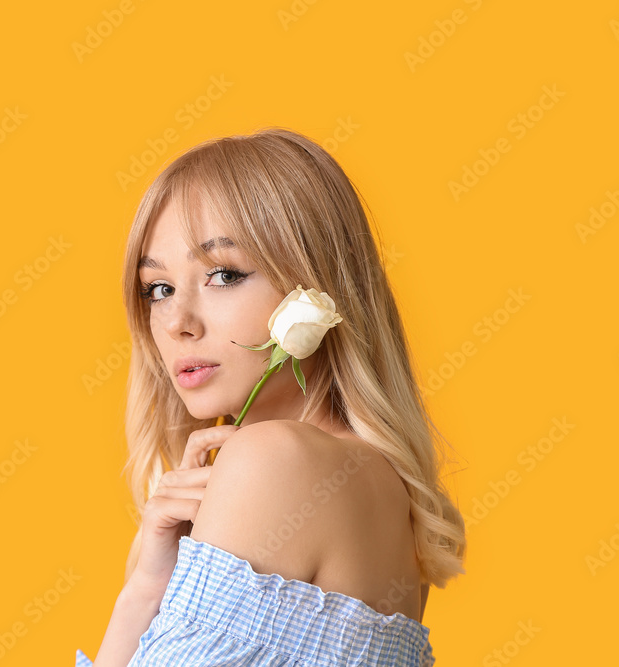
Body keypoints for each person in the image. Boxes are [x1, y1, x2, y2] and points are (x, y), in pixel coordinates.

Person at [79, 127, 466, 666]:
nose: (177, 323)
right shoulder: (388, 492)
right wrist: (148, 584)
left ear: (318, 284)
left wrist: (143, 592)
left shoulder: (272, 458)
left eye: (223, 275)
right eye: (158, 288)